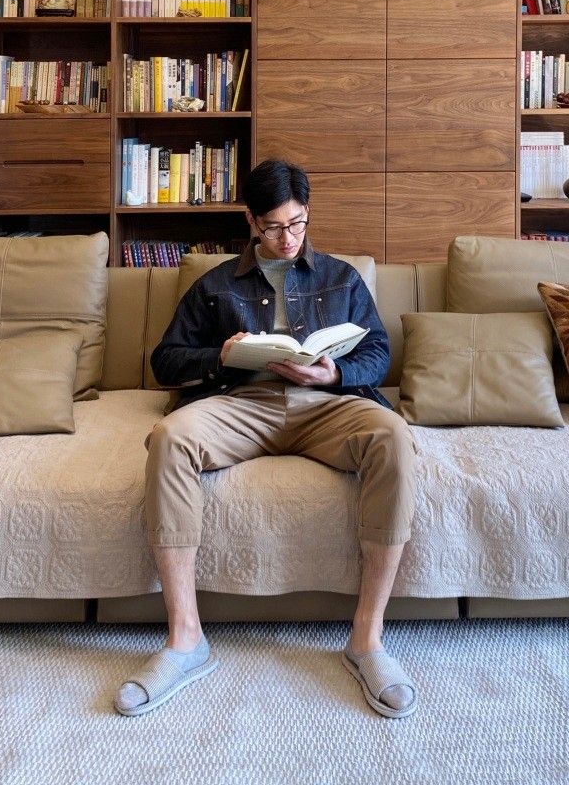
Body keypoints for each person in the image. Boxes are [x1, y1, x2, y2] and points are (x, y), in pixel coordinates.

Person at [115, 159, 419, 719]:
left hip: (326, 405)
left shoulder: (342, 278)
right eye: (274, 227)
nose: (288, 238)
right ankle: (186, 639)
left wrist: (334, 373)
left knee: (393, 437)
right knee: (170, 437)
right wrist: (220, 355)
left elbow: (379, 352)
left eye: (298, 223)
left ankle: (367, 639)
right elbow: (166, 362)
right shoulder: (215, 285)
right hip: (241, 404)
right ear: (251, 221)